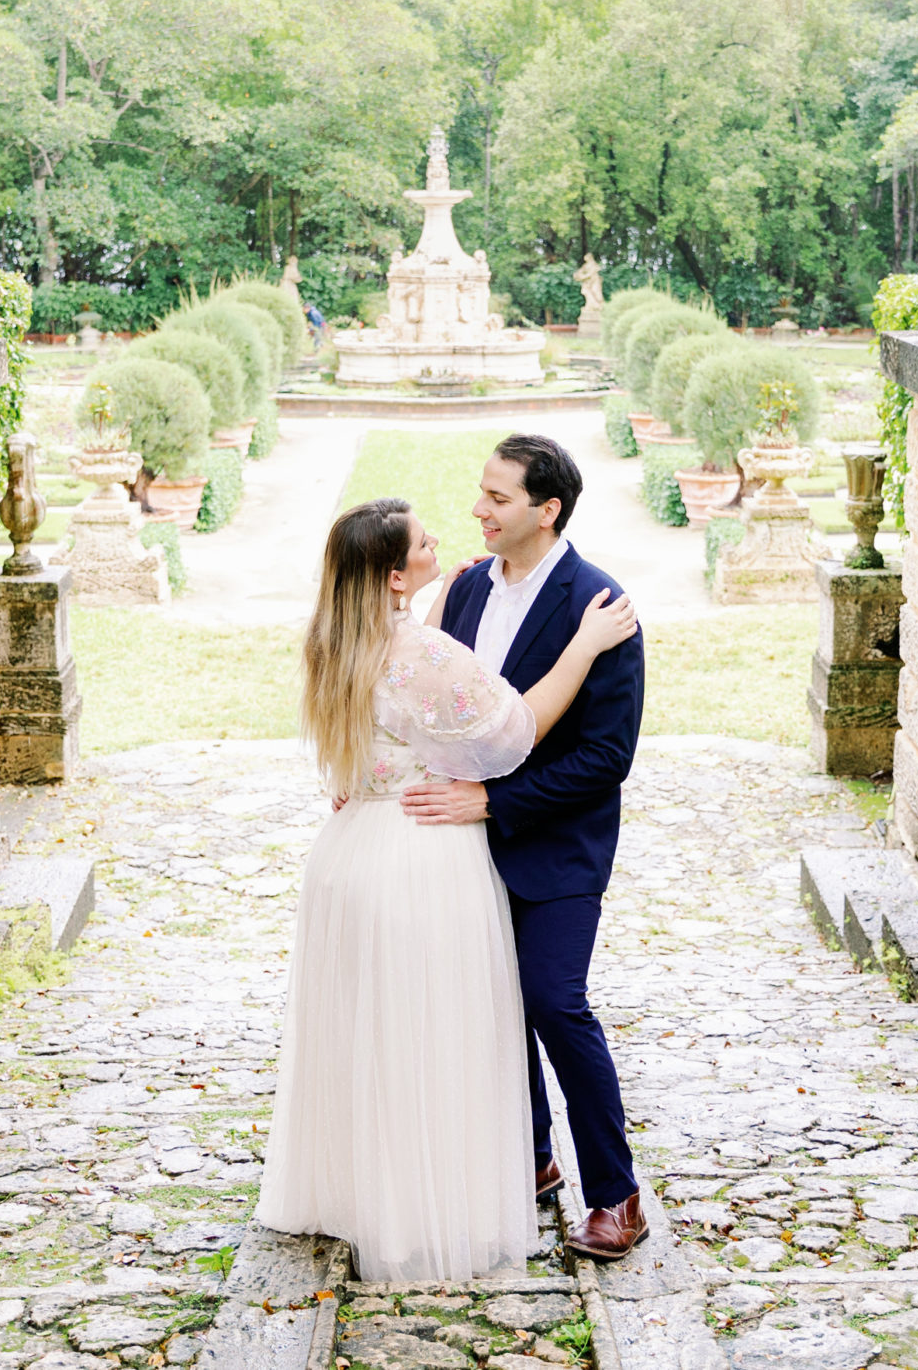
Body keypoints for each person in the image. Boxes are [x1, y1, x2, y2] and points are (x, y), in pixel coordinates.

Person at [258, 498, 639, 1282]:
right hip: (418, 855)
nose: (448, 539)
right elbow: (516, 728)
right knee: (438, 1031)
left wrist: (422, 609)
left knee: (374, 1038)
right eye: (427, 542)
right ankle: (441, 1201)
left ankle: (375, 1191)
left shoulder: (333, 637)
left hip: (350, 854)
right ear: (395, 575)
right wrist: (584, 643)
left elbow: (395, 693)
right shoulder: (420, 650)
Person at [403, 435, 649, 1260]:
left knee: (552, 1002)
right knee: (488, 1006)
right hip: (463, 849)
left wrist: (493, 801)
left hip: (557, 850)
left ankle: (616, 1194)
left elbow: (605, 759)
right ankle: (531, 1156)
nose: (478, 509)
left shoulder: (601, 605)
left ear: (546, 511)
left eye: (498, 498)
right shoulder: (467, 588)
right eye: (480, 492)